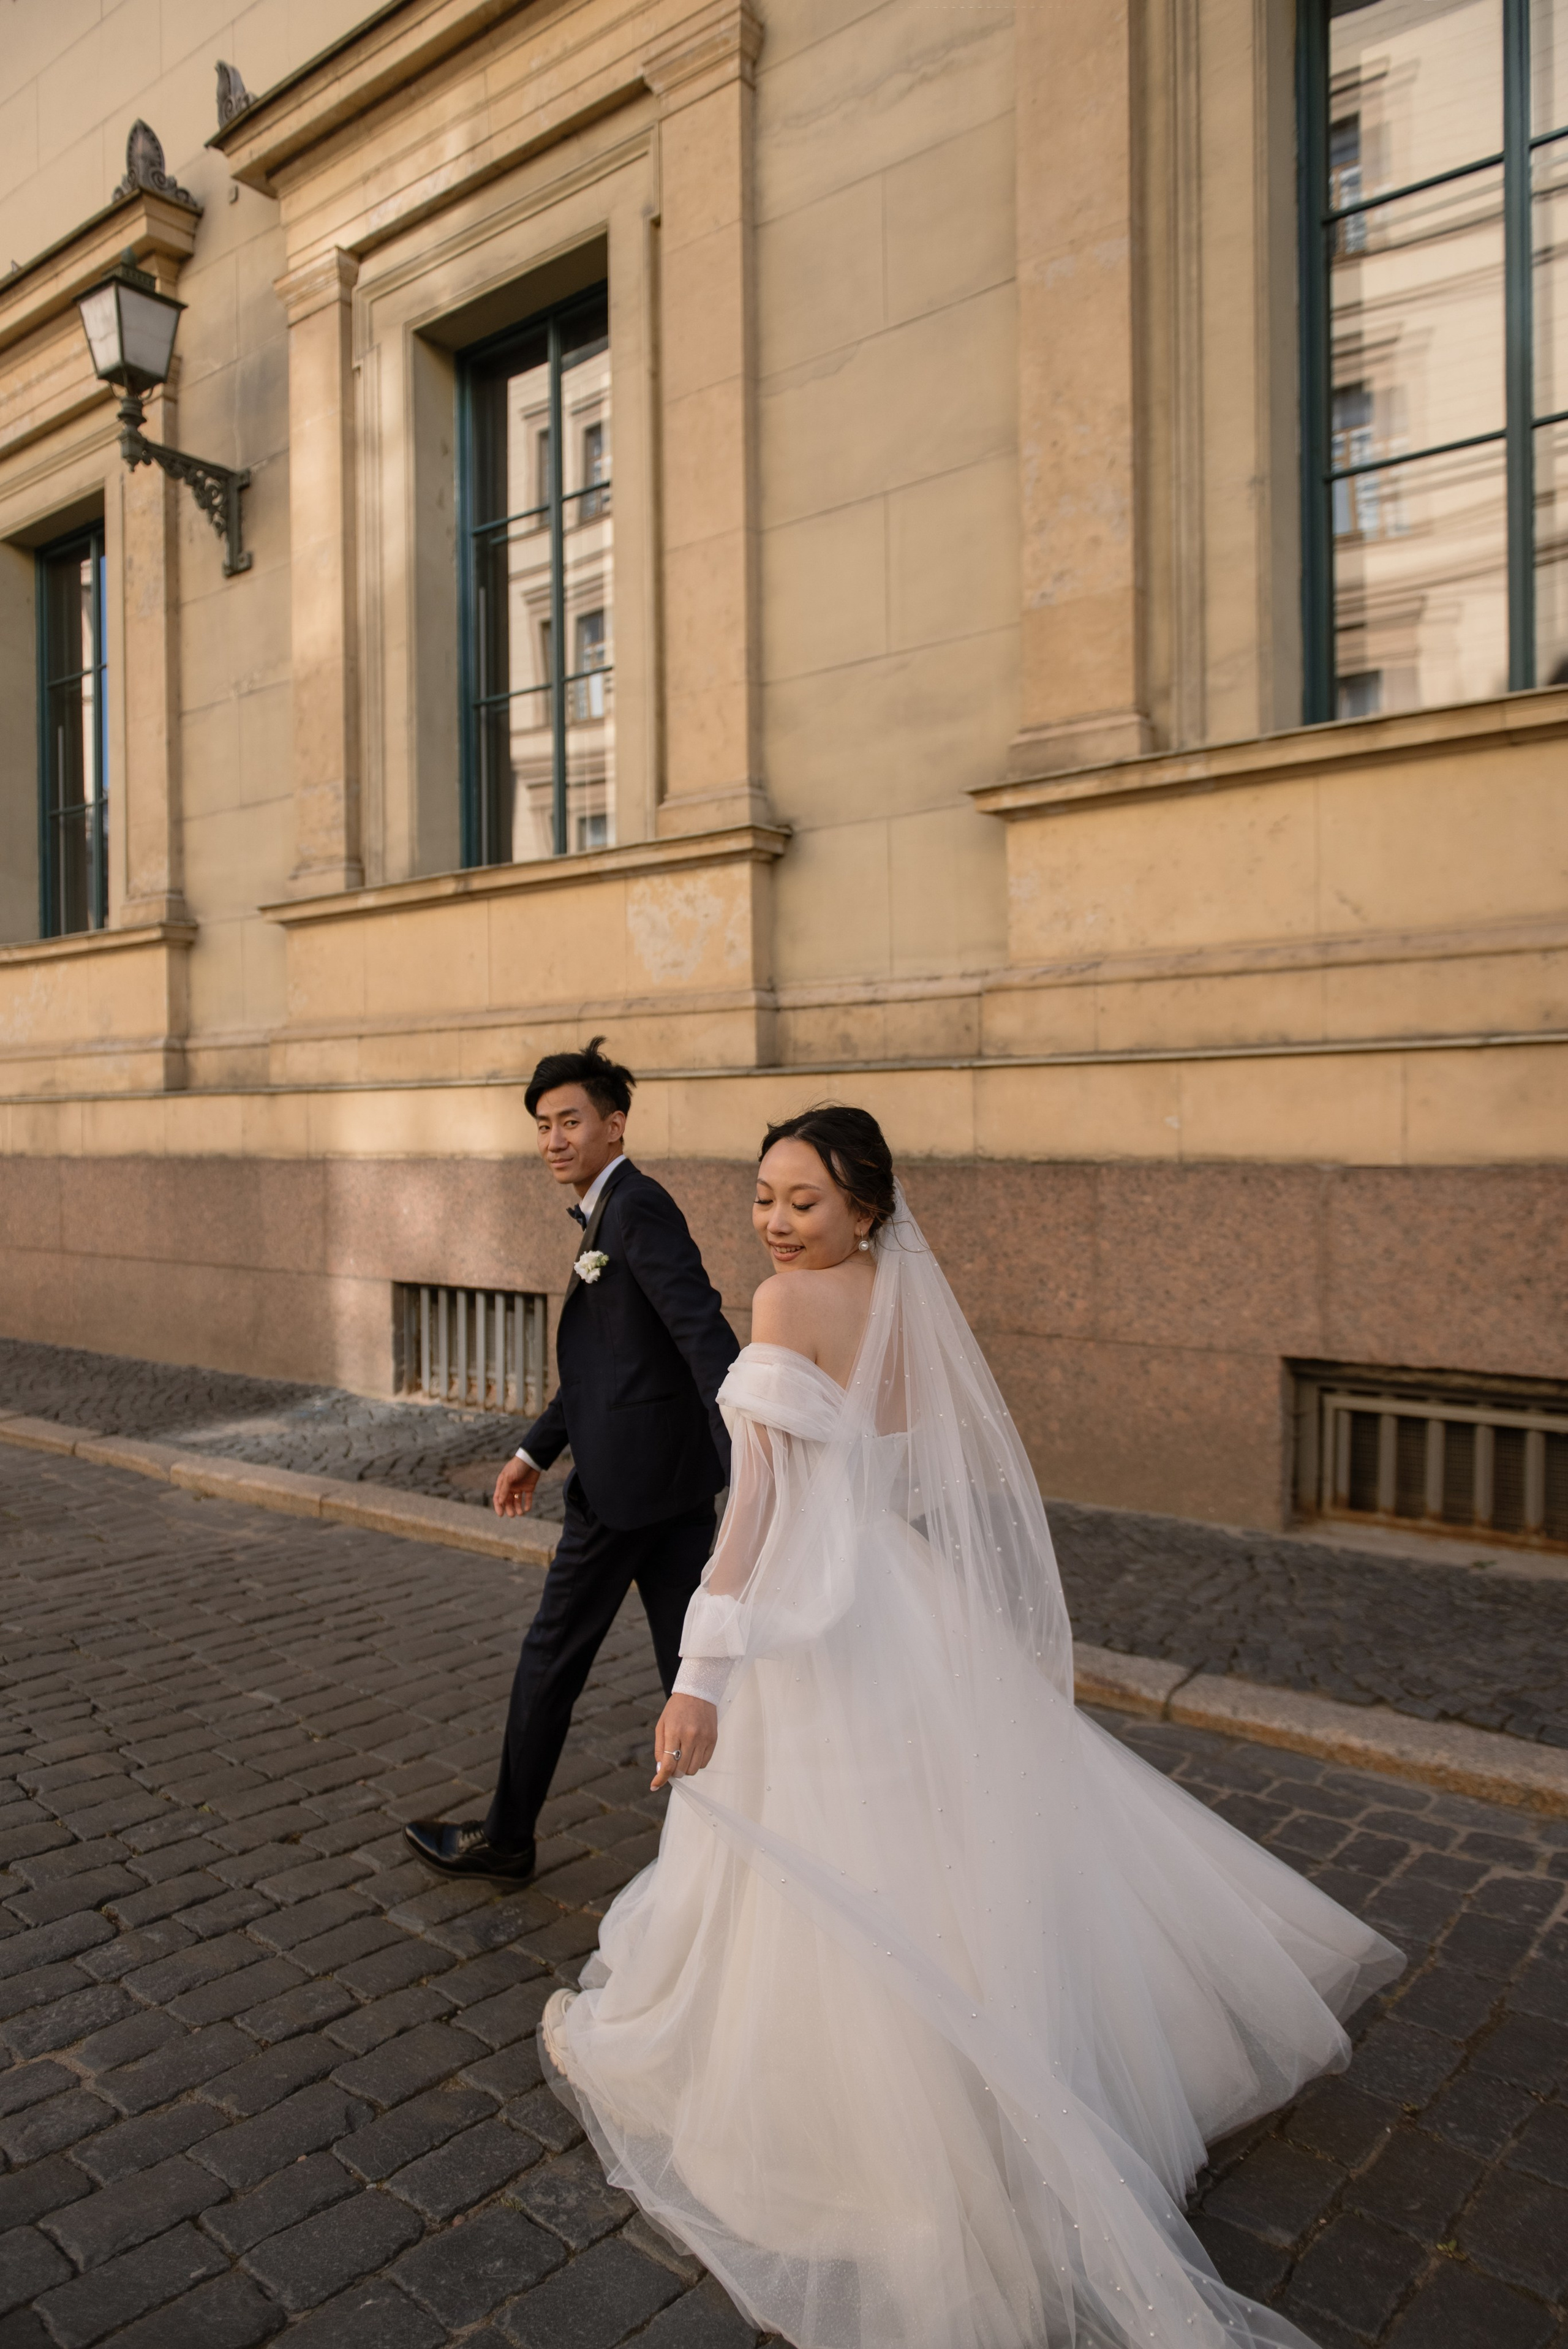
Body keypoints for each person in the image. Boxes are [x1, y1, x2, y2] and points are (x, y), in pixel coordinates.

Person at [537, 1104, 1404, 2349]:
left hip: (818, 1617)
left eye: (804, 1202)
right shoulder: (901, 1297)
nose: (775, 1223)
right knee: (942, 1846)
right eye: (764, 1197)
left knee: (831, 1858)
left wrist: (702, 1673)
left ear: (865, 1209)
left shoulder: (784, 1306)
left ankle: (883, 2124)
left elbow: (761, 1512)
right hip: (903, 1598)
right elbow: (892, 1471)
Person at [404, 1038, 739, 1885]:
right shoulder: (610, 1208)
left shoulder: (635, 1208)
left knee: (552, 1658)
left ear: (614, 1124)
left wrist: (751, 1456)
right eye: (543, 1126)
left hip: (625, 1495)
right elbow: (615, 1363)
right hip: (669, 1489)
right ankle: (741, 1845)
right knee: (694, 1673)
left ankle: (507, 1839)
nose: (553, 1140)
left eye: (570, 1121)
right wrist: (534, 1449)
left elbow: (702, 1333)